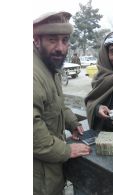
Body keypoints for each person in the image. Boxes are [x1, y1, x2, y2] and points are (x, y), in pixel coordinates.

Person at [33, 11, 91, 195]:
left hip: (50, 172)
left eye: (65, 40)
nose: (60, 47)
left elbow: (57, 105)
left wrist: (73, 123)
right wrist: (66, 150)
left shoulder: (50, 67)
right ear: (36, 40)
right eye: (52, 40)